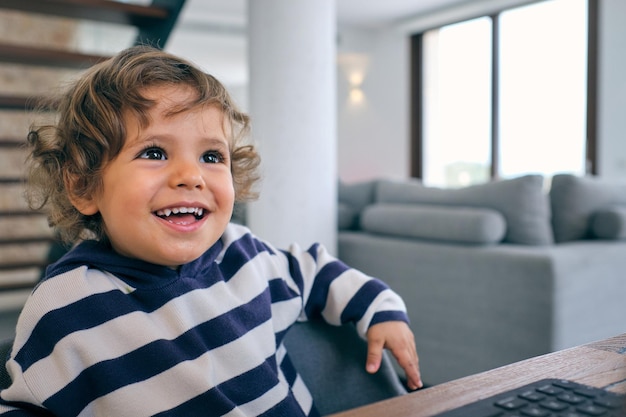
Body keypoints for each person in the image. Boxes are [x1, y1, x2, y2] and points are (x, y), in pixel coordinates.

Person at [0, 45, 421, 417]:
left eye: (211, 157)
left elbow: (316, 272)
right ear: (83, 185)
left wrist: (382, 310)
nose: (191, 175)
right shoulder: (64, 305)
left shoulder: (245, 256)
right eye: (154, 152)